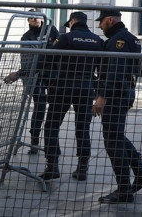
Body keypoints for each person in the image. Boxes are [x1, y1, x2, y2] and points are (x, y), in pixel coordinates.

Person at [39, 11, 103, 181]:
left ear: (73, 21)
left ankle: (52, 166)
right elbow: (101, 69)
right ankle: (82, 168)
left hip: (63, 87)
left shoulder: (65, 38)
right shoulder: (98, 41)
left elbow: (49, 59)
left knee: (52, 125)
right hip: (86, 88)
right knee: (82, 129)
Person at [91, 10, 142, 204]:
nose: (100, 26)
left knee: (112, 141)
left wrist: (102, 97)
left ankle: (124, 189)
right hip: (122, 93)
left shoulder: (118, 41)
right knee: (116, 136)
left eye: (102, 22)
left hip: (115, 95)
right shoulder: (126, 37)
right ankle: (141, 173)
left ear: (110, 20)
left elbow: (114, 71)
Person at [3, 10, 57, 155]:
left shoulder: (51, 31)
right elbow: (26, 60)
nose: (35, 20)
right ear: (28, 21)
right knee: (39, 109)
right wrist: (25, 81)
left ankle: (52, 145)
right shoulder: (26, 37)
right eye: (31, 18)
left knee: (55, 111)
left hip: (54, 76)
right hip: (36, 77)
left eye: (37, 17)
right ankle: (34, 141)